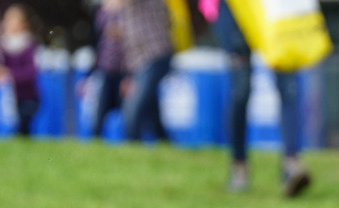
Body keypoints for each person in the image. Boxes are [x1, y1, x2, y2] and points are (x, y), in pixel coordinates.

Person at [199, 0, 311, 197]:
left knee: (288, 85)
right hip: (234, 8)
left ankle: (291, 164)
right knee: (240, 89)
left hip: (274, 7)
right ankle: (238, 167)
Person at [117, 0, 173, 143]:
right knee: (150, 110)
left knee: (133, 109)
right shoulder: (124, 12)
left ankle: (133, 148)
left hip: (154, 55)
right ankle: (164, 143)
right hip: (138, 63)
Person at [0, 4, 41, 137]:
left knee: (22, 129)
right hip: (7, 97)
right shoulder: (1, 45)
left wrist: (10, 74)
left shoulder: (29, 45)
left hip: (26, 96)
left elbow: (31, 72)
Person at [89, 0, 127, 138]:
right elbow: (96, 41)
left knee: (130, 114)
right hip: (106, 70)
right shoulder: (101, 11)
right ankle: (95, 143)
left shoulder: (129, 8)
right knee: (99, 115)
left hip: (125, 70)